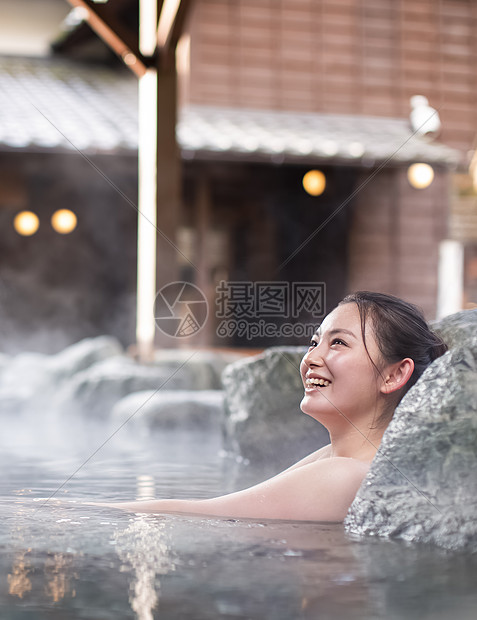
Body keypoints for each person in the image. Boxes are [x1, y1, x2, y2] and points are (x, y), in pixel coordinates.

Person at [99, 291, 447, 521]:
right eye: (314, 342)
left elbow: (205, 517)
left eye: (338, 343)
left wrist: (76, 512)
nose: (312, 358)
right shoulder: (339, 458)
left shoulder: (346, 474)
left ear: (394, 374)